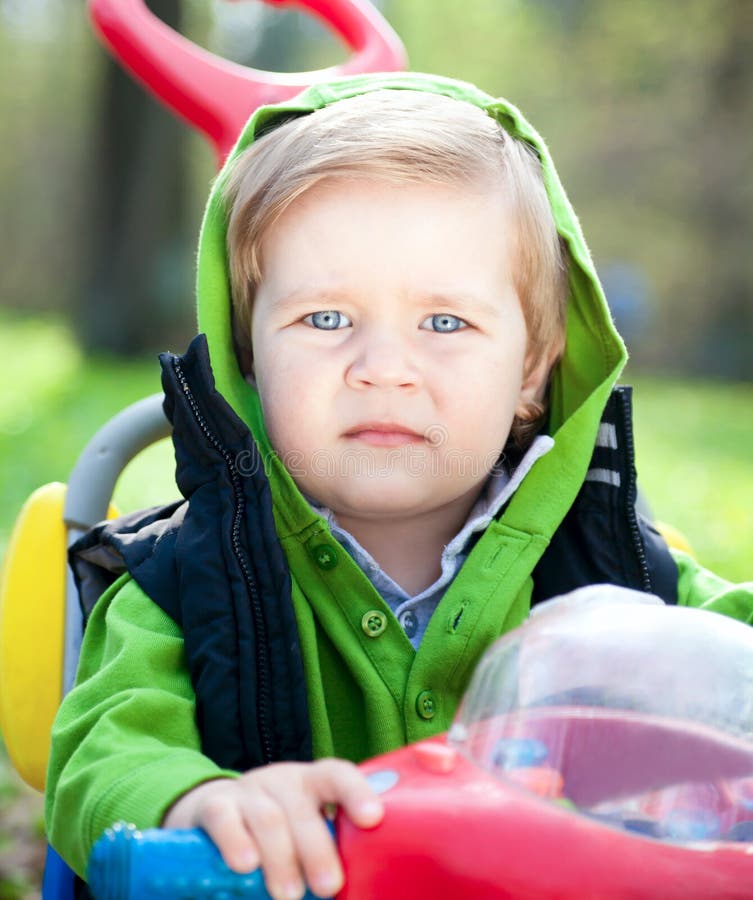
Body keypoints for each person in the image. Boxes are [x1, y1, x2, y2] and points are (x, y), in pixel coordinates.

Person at [45, 72, 753, 900]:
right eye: (325, 319)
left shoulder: (625, 576)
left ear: (531, 366)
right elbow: (102, 754)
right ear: (246, 360)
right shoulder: (179, 580)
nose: (383, 370)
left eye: (444, 323)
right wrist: (198, 800)